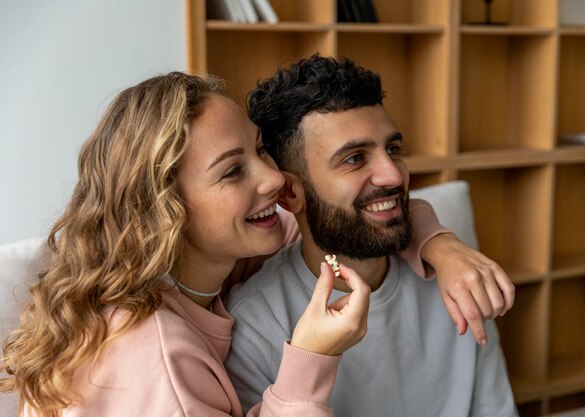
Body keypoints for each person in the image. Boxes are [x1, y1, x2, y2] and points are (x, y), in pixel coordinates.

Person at [0, 71, 509, 416]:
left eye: (260, 150)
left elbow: (353, 217)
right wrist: (307, 361)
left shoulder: (229, 252)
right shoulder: (156, 360)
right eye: (233, 171)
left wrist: (442, 246)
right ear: (167, 210)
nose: (272, 179)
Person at [224, 55, 519, 416]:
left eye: (393, 150)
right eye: (354, 159)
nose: (393, 176)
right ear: (290, 193)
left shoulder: (457, 279)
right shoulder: (255, 326)